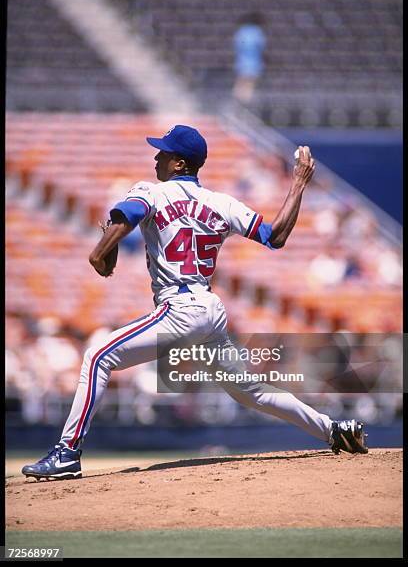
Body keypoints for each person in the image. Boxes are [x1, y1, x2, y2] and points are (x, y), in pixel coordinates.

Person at [22, 125, 368, 481]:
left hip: (179, 309)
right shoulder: (222, 202)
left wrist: (100, 250)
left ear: (178, 164)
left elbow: (125, 221)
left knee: (98, 356)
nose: (156, 156)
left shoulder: (151, 192)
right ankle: (334, 429)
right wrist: (298, 183)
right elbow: (276, 235)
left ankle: (66, 453)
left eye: (163, 153)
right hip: (210, 312)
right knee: (252, 392)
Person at [232, 12, 266, 104]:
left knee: (240, 84)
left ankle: (236, 103)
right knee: (249, 85)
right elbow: (261, 47)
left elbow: (236, 46)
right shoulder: (257, 32)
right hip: (253, 64)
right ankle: (244, 105)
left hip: (241, 63)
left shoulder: (241, 31)